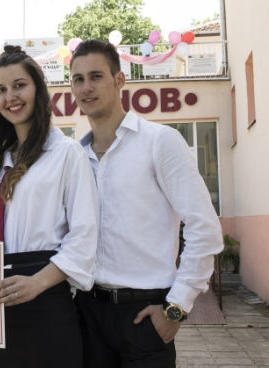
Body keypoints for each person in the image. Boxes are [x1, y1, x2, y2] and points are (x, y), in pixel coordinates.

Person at [0, 45, 98, 368]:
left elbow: (84, 235)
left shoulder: (67, 154)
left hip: (43, 297)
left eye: (19, 85)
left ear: (38, 89)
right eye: (1, 90)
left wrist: (36, 282)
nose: (10, 96)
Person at [69, 39, 224, 368]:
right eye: (78, 79)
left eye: (96, 76)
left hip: (144, 314)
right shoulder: (74, 156)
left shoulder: (160, 142)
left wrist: (177, 307)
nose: (86, 87)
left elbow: (205, 228)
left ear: (120, 80)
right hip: (87, 312)